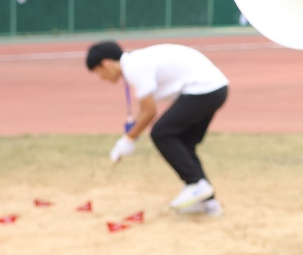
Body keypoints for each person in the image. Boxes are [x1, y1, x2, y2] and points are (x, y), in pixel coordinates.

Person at [85, 41, 229, 215]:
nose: (101, 78)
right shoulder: (136, 62)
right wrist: (130, 137)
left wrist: (128, 140)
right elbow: (145, 110)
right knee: (184, 144)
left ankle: (196, 184)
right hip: (216, 88)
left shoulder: (134, 67)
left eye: (98, 72)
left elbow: (149, 111)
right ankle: (208, 203)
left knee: (161, 133)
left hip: (204, 90)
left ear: (106, 64)